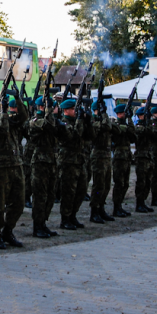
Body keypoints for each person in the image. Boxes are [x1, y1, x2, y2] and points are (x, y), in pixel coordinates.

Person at [0, 95, 29, 250]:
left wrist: (17, 98)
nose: (2, 106)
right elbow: (2, 129)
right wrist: (3, 111)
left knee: (19, 202)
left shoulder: (12, 120)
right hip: (0, 168)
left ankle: (8, 231)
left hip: (16, 165)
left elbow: (24, 116)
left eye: (3, 104)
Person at [55, 98, 90, 230]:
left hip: (79, 160)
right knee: (68, 192)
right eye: (74, 109)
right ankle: (65, 218)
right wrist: (80, 120)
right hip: (68, 162)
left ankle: (73, 215)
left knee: (81, 190)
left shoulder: (77, 121)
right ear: (66, 110)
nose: (76, 111)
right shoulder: (63, 123)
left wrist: (87, 121)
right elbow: (74, 136)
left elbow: (89, 136)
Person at [28, 96, 60, 238]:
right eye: (52, 107)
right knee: (40, 196)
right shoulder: (35, 121)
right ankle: (37, 226)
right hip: (40, 162)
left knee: (50, 194)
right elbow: (47, 126)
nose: (55, 109)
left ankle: (43, 223)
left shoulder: (51, 119)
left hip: (51, 161)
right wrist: (48, 111)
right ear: (42, 107)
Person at [89, 99, 114, 224]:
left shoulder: (103, 119)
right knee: (98, 185)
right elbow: (106, 126)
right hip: (98, 155)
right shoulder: (93, 121)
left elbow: (110, 127)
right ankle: (94, 210)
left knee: (106, 184)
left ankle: (101, 207)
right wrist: (103, 114)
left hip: (106, 155)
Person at [111, 104, 136, 218]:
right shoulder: (117, 125)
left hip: (126, 157)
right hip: (119, 157)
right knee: (119, 183)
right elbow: (124, 132)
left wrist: (129, 120)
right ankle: (116, 207)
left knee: (125, 184)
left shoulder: (126, 124)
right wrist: (128, 121)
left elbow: (133, 137)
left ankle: (120, 205)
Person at [133, 107, 156, 213]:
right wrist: (148, 124)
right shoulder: (139, 126)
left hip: (148, 156)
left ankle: (143, 201)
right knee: (141, 181)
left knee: (148, 181)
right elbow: (145, 132)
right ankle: (139, 203)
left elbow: (155, 134)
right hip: (141, 157)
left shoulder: (148, 125)